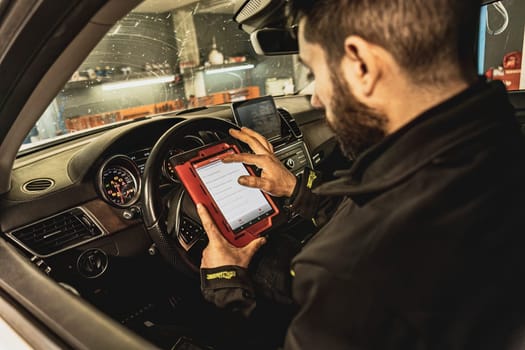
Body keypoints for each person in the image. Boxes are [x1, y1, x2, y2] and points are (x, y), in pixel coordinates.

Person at [196, 0, 525, 349]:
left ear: (361, 64)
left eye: (314, 73)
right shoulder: (500, 147)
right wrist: (297, 190)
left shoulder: (351, 274)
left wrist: (226, 288)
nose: (316, 99)